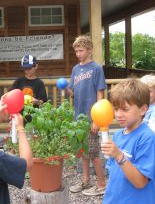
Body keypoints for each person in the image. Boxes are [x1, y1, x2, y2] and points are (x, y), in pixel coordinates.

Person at [101, 78, 155, 204]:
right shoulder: (117, 135)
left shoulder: (148, 139)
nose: (118, 114)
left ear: (143, 110)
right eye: (116, 109)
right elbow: (114, 175)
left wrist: (119, 155)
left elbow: (140, 182)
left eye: (125, 109)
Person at [66, 35, 107, 196]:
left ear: (89, 50)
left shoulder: (96, 68)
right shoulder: (76, 69)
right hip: (79, 117)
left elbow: (100, 93)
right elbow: (73, 93)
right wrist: (65, 88)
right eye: (76, 51)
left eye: (81, 50)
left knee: (94, 153)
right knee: (83, 151)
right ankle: (85, 180)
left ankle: (102, 184)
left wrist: (97, 119)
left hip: (91, 118)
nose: (78, 54)